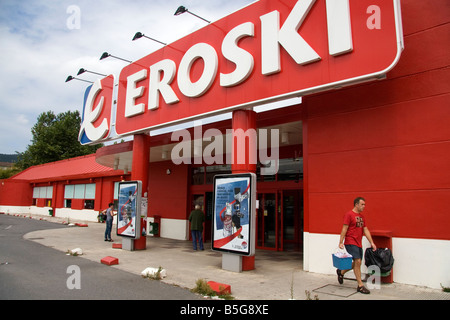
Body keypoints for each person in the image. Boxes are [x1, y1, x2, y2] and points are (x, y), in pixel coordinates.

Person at [337, 197, 376, 294]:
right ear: (356, 204)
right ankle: (360, 286)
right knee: (357, 260)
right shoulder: (349, 215)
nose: (364, 206)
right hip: (350, 242)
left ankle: (341, 272)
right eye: (362, 204)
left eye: (364, 205)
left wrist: (372, 242)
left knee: (356, 264)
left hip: (359, 243)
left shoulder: (362, 217)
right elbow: (344, 228)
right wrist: (341, 241)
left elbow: (365, 230)